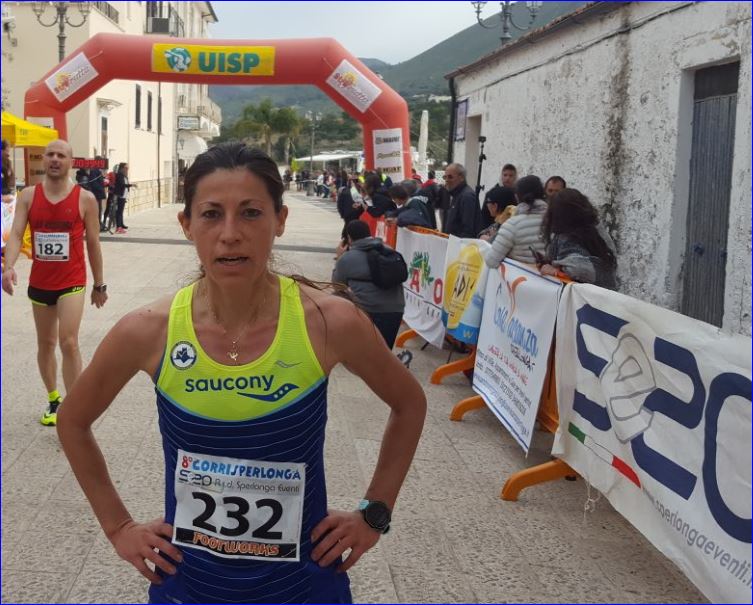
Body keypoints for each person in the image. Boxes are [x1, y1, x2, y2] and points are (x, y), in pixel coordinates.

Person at [56, 143, 426, 604]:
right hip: (189, 587)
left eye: (251, 213)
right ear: (186, 225)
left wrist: (375, 513)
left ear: (280, 220)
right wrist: (118, 526)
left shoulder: (329, 321)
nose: (230, 234)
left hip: (304, 586)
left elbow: (409, 403)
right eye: (211, 215)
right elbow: (73, 421)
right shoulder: (148, 330)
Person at [1, 139, 108, 426]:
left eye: (61, 155)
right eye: (50, 154)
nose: (55, 159)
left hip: (72, 281)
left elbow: (93, 243)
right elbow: (16, 234)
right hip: (40, 282)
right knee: (46, 343)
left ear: (70, 162)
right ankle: (53, 399)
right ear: (44, 159)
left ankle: (74, 409)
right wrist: (8, 267)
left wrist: (99, 284)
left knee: (68, 341)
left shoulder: (85, 199)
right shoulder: (28, 195)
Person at [333, 219, 406, 349]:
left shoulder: (347, 258)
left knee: (364, 353)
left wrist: (339, 258)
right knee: (384, 352)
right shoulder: (389, 251)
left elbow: (337, 286)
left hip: (368, 311)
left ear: (349, 238)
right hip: (395, 310)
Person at [538, 188, 617, 288]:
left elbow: (578, 268)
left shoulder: (565, 239)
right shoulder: (597, 229)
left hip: (581, 296)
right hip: (606, 293)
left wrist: (555, 271)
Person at [484, 174, 547, 267]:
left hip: (519, 275)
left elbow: (491, 261)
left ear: (517, 196)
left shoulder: (512, 225)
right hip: (549, 275)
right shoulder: (555, 221)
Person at [441, 163, 482, 238]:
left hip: (460, 244)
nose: (446, 180)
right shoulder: (456, 194)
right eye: (445, 177)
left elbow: (468, 230)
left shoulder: (467, 197)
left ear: (461, 178)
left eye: (450, 177)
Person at [113, 162, 136, 233]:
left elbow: (125, 183)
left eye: (128, 168)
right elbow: (122, 184)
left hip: (123, 195)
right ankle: (118, 227)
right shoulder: (119, 175)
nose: (127, 169)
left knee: (121, 211)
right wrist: (131, 185)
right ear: (122, 168)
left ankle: (121, 224)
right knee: (119, 212)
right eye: (126, 168)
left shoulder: (124, 175)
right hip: (120, 195)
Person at [87, 158, 107, 229]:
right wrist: (101, 189)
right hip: (96, 194)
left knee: (99, 210)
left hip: (98, 194)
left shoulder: (98, 170)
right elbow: (94, 183)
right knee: (97, 210)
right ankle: (96, 226)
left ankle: (98, 225)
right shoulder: (94, 171)